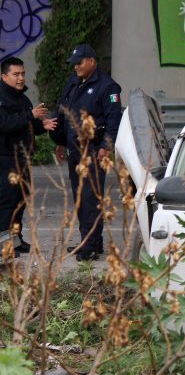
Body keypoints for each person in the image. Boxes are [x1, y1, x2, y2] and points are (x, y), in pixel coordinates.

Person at [50, 44, 122, 262]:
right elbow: (64, 113)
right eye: (74, 64)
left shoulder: (107, 87)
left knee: (91, 198)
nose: (76, 67)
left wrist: (106, 147)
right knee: (81, 198)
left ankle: (89, 245)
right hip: (74, 150)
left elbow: (113, 121)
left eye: (80, 63)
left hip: (93, 150)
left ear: (92, 61)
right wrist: (61, 141)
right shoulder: (73, 83)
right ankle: (91, 241)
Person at [0, 57, 57, 253]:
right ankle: (5, 246)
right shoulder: (2, 98)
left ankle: (16, 240)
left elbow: (28, 125)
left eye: (23, 73)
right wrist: (30, 116)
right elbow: (5, 124)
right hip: (6, 158)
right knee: (7, 203)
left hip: (23, 158)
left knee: (21, 200)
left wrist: (42, 125)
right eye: (16, 74)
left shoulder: (23, 98)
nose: (21, 78)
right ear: (4, 76)